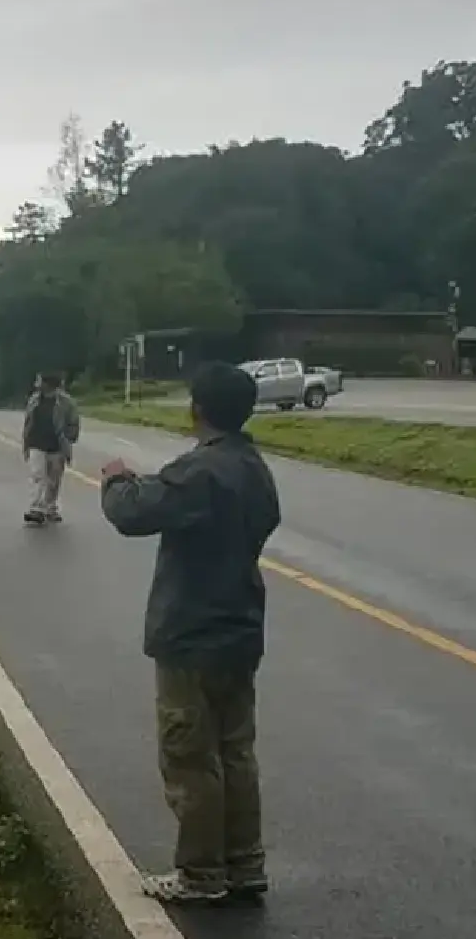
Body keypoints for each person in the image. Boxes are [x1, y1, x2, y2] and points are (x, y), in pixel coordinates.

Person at [99, 361, 282, 906]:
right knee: (235, 752)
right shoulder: (255, 468)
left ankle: (201, 874)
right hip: (240, 627)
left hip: (190, 631)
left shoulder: (200, 471)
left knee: (190, 756)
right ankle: (244, 864)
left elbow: (132, 514)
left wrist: (115, 479)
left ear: (197, 409)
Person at [20, 371, 81, 525]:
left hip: (56, 445)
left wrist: (69, 437)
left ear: (47, 383)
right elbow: (28, 422)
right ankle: (36, 508)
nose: (36, 383)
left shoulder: (66, 402)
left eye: (39, 380)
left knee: (53, 480)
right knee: (37, 476)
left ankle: (50, 508)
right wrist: (26, 443)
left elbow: (74, 422)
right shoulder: (34, 399)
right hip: (36, 443)